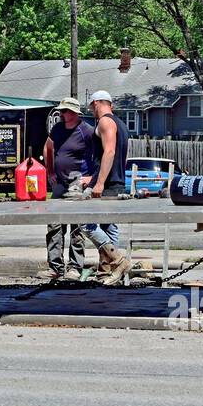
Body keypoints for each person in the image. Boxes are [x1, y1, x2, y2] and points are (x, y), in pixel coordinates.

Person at [79, 89, 130, 282]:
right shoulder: (121, 124)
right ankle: (107, 273)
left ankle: (117, 259)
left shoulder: (105, 122)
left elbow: (109, 152)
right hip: (116, 181)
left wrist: (98, 183)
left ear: (96, 104)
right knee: (109, 227)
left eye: (92, 107)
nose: (92, 110)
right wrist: (93, 177)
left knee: (85, 222)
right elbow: (118, 157)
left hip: (107, 185)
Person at [42, 97, 93, 282]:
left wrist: (91, 178)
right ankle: (55, 266)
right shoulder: (57, 129)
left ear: (73, 113)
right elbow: (48, 147)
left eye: (64, 111)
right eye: (61, 111)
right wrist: (50, 171)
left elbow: (98, 154)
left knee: (77, 227)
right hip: (59, 183)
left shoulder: (86, 131)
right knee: (54, 224)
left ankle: (75, 267)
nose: (62, 114)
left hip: (76, 183)